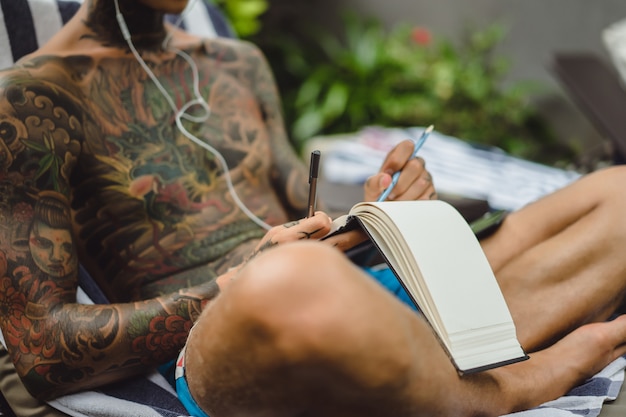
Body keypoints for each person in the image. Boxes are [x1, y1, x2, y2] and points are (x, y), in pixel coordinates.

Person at [0, 0, 625, 416]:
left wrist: (385, 198)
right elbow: (44, 355)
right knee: (292, 282)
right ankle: (502, 387)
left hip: (357, 291)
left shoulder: (237, 64)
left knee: (617, 191)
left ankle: (425, 365)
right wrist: (238, 282)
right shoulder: (34, 99)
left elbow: (304, 198)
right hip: (238, 335)